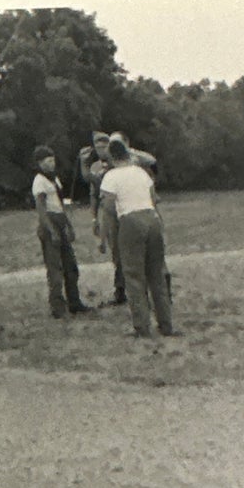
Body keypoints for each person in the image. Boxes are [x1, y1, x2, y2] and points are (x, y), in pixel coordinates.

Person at [99, 135, 175, 339]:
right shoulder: (141, 172)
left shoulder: (111, 177)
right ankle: (166, 324)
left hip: (130, 221)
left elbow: (108, 209)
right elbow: (153, 198)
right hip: (152, 218)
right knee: (156, 275)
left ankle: (142, 326)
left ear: (112, 158)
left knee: (134, 276)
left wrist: (104, 237)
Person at [32, 147, 89, 319]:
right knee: (55, 268)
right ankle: (57, 307)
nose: (51, 163)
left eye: (52, 159)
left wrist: (68, 226)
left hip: (60, 220)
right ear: (40, 163)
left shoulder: (54, 179)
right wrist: (52, 231)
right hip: (49, 222)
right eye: (47, 161)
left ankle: (74, 302)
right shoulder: (39, 181)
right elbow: (41, 209)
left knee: (70, 266)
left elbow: (60, 205)